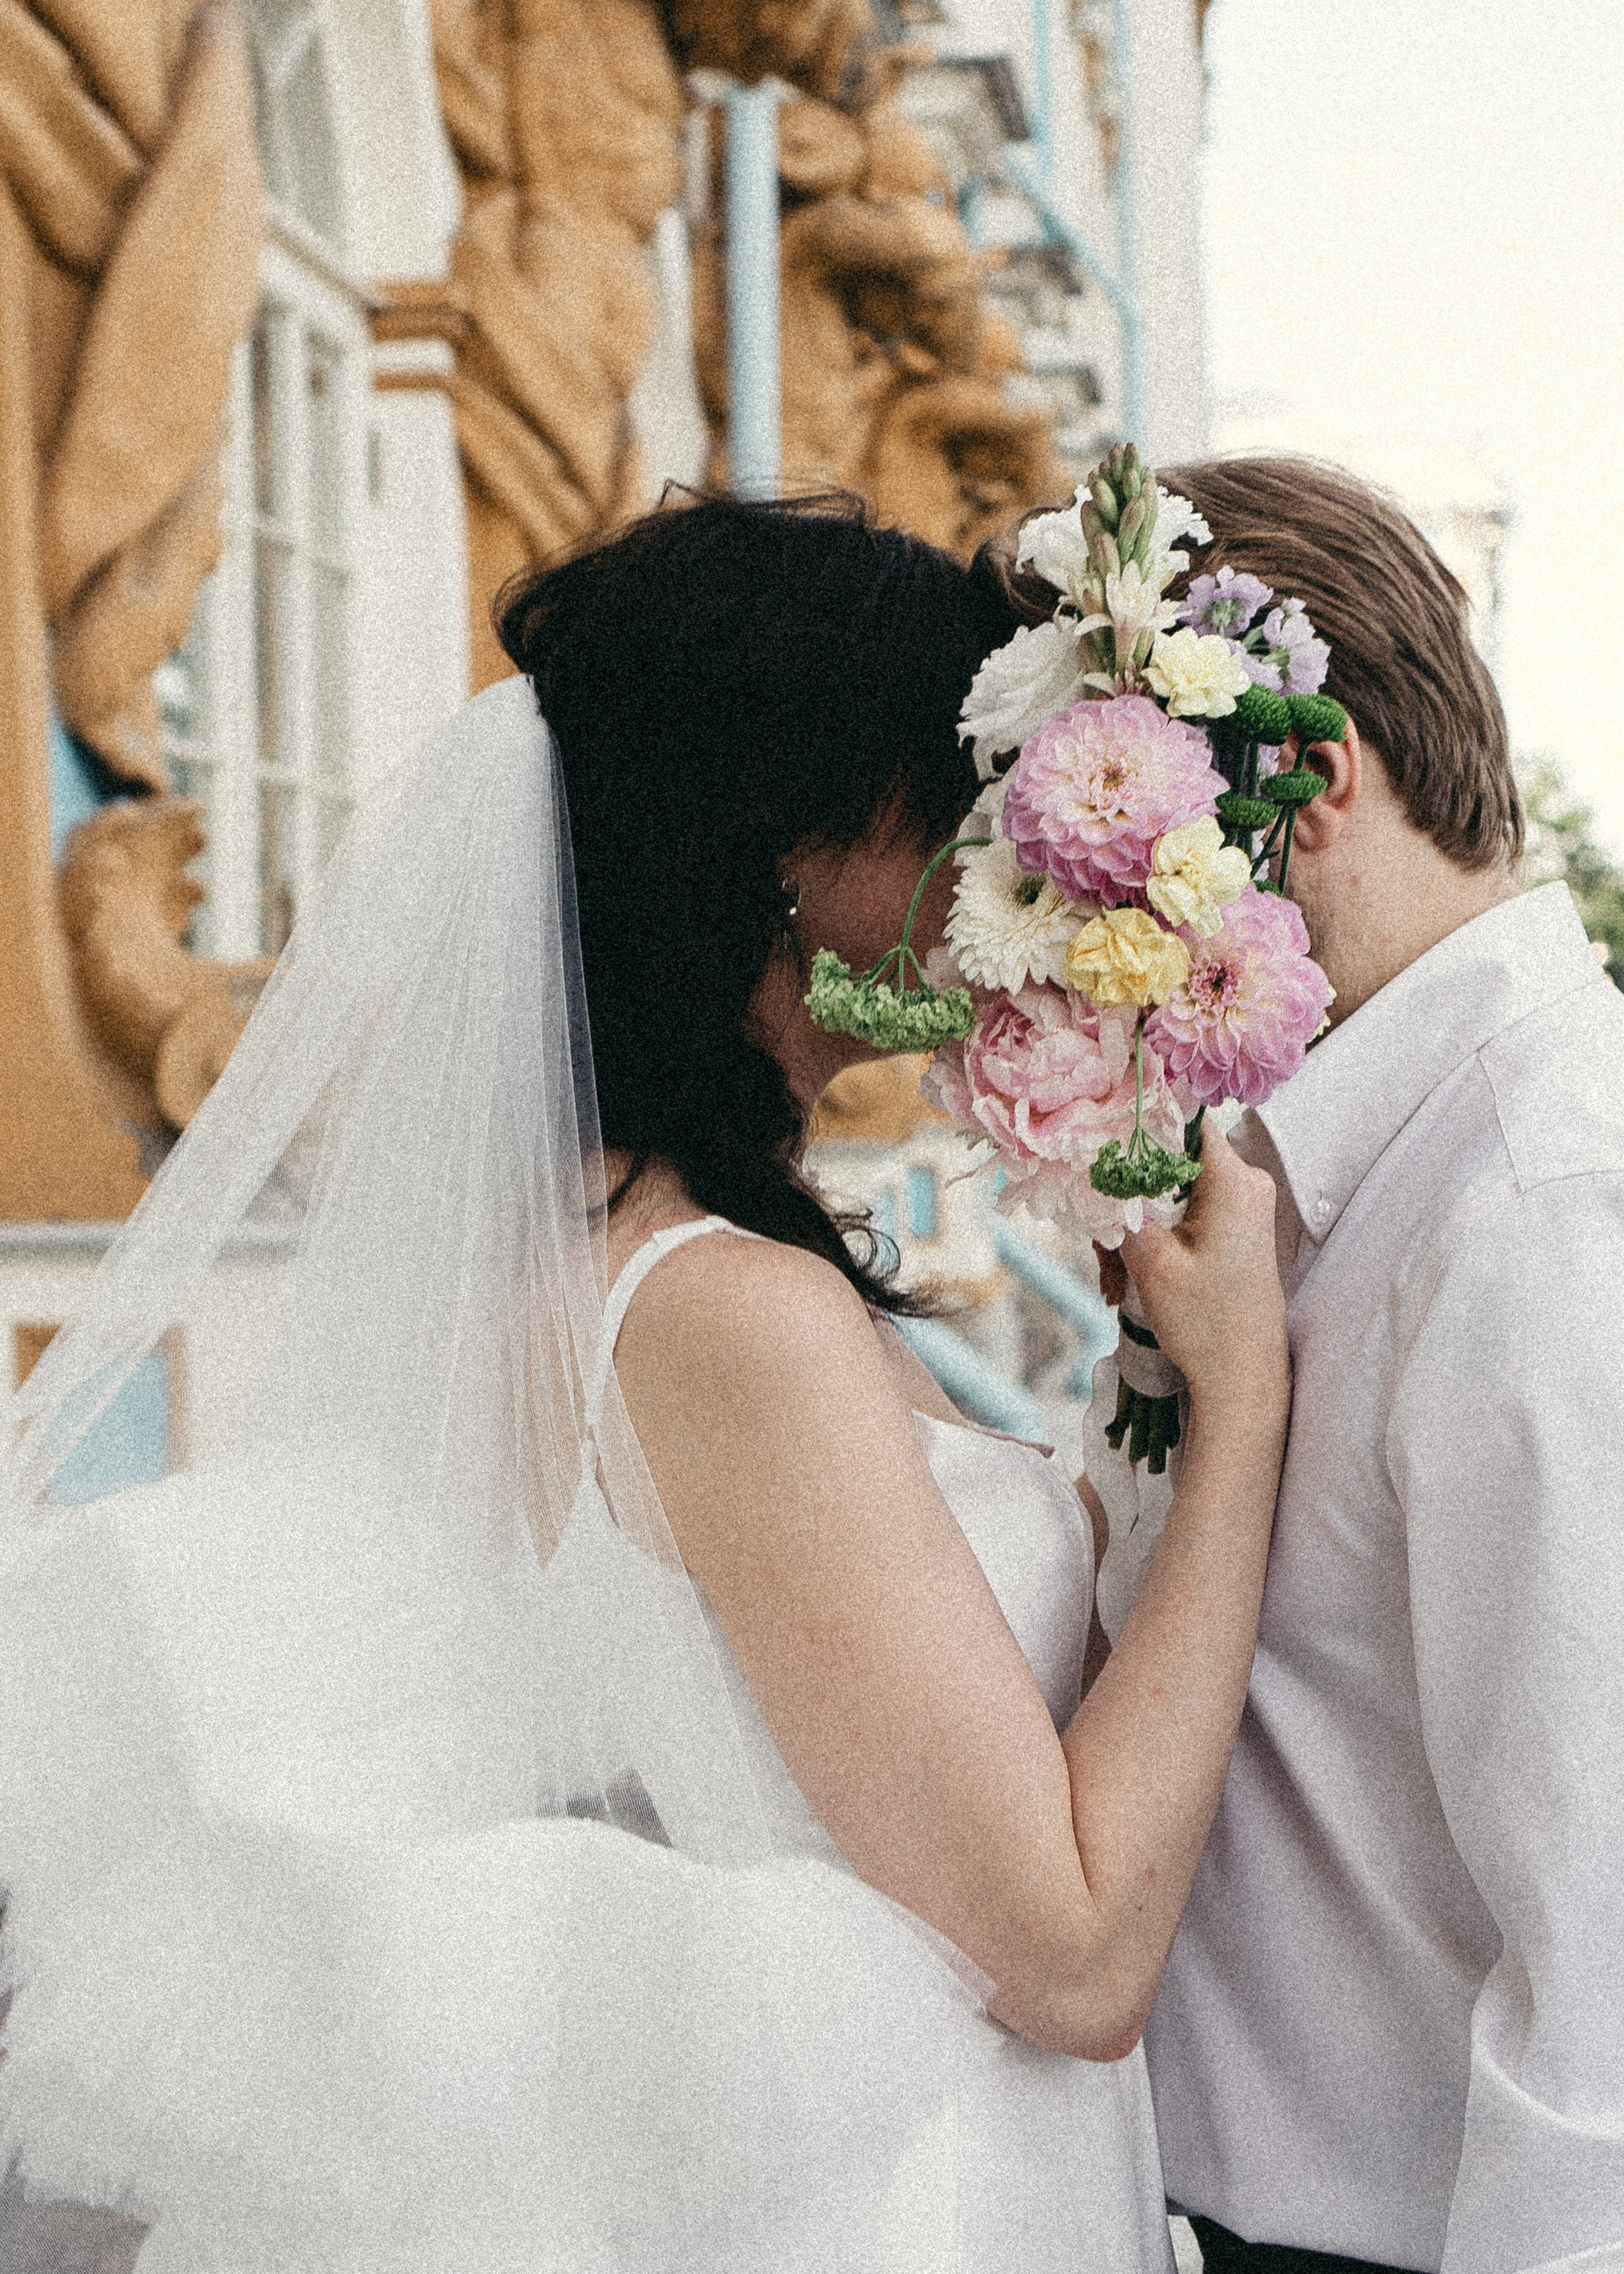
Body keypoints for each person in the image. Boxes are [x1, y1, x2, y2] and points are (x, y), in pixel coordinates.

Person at [0, 494, 1288, 2271]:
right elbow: (1069, 1958)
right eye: (945, 801)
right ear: (782, 845)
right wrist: (1246, 1420)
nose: (984, 863)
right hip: (913, 2193)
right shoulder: (722, 1314)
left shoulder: (609, 1257)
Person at [1103, 456, 1624, 2274]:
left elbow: (1610, 1966)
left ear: (1308, 786)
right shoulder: (1314, 1177)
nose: (1094, 945)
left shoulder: (1552, 1200)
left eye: (1106, 853)